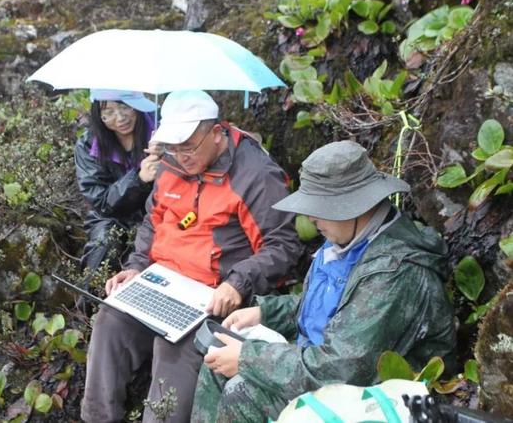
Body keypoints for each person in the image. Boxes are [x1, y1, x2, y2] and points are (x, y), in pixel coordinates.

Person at [191, 140, 457, 423]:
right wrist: (266, 313)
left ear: (354, 207)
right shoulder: (347, 243)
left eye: (319, 208)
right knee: (217, 361)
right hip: (331, 367)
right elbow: (334, 309)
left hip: (383, 396)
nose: (310, 217)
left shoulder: (394, 273)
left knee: (242, 390)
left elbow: (342, 368)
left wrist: (248, 358)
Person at [80, 90, 302, 423]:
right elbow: (153, 221)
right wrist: (136, 268)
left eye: (188, 147)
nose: (181, 157)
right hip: (161, 282)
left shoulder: (255, 174)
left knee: (174, 349)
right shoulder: (169, 162)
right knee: (110, 321)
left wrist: (237, 284)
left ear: (216, 133)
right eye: (173, 147)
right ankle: (97, 418)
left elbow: (284, 244)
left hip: (214, 297)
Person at [75, 89, 162, 274]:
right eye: (109, 112)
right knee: (103, 246)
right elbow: (101, 201)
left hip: (157, 212)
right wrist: (138, 178)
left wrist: (167, 154)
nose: (120, 118)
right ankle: (91, 299)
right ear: (98, 115)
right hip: (111, 215)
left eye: (125, 107)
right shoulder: (88, 144)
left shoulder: (161, 127)